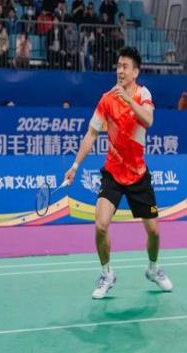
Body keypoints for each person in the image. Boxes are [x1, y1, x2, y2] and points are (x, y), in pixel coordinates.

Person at [63, 46, 173, 299]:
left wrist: (128, 99)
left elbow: (148, 120)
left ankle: (153, 269)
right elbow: (91, 134)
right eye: (118, 66)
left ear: (135, 72)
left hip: (138, 174)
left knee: (154, 232)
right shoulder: (106, 100)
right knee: (100, 225)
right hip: (113, 172)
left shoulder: (143, 94)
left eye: (125, 67)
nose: (120, 71)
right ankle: (107, 274)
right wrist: (75, 166)